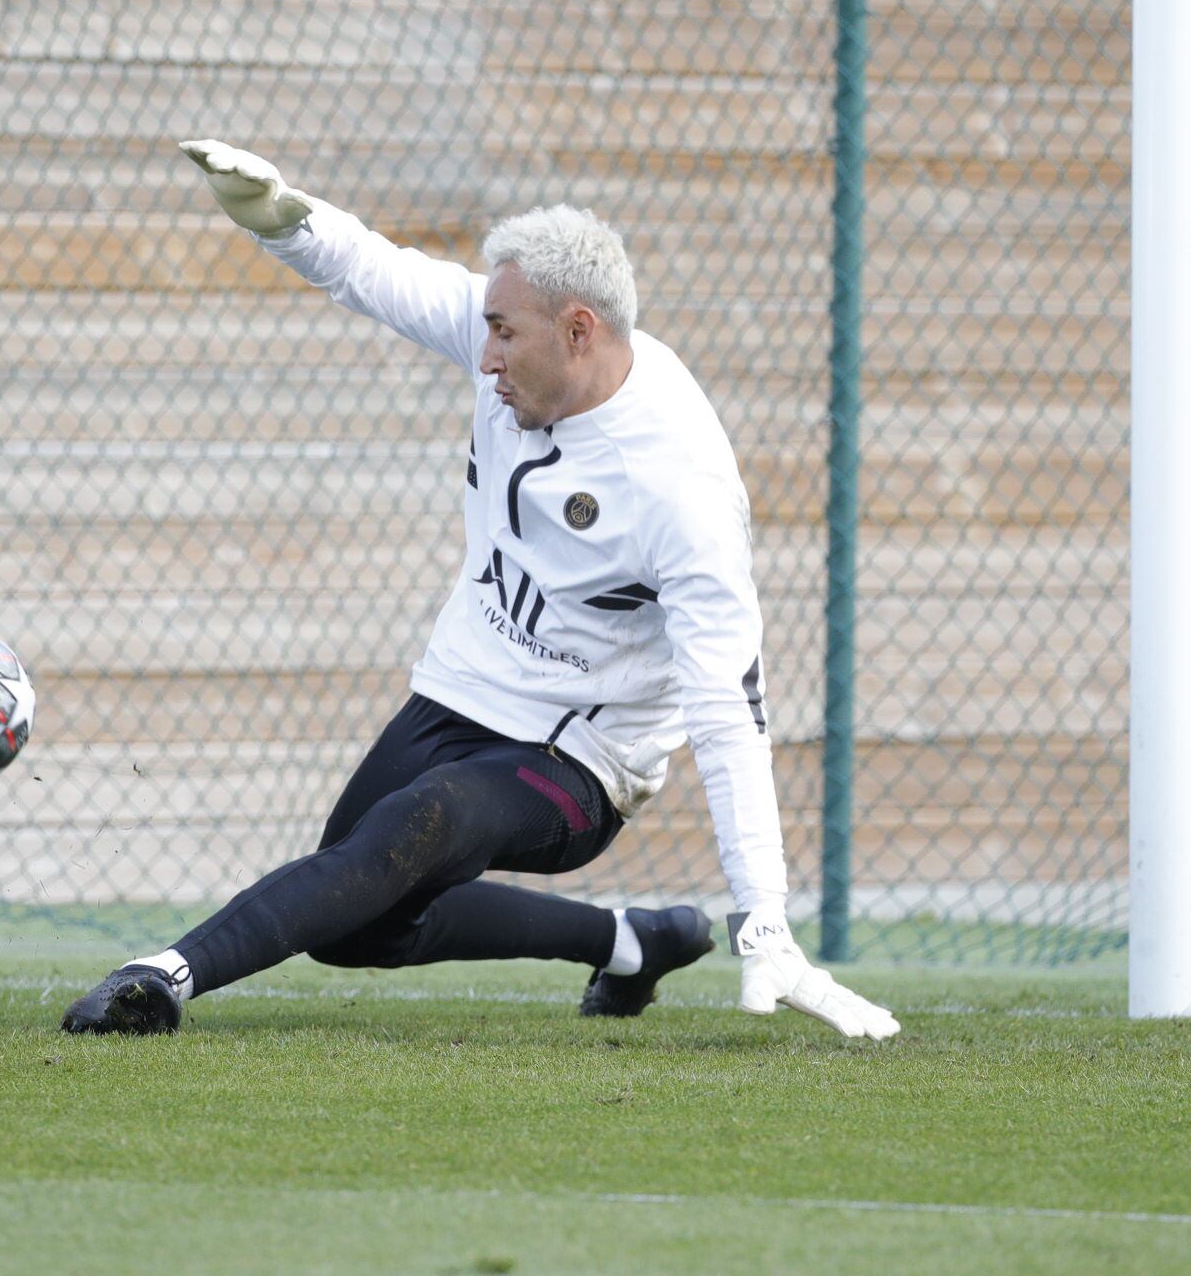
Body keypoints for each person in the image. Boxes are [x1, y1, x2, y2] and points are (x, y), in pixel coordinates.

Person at [63, 142, 898, 1040]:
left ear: (579, 332)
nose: (486, 353)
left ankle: (162, 977)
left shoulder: (681, 492)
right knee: (358, 924)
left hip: (583, 755)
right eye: (488, 328)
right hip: (464, 686)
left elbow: (730, 716)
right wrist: (281, 217)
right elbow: (371, 269)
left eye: (507, 335)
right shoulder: (506, 326)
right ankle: (631, 943)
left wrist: (762, 917)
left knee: (426, 819)